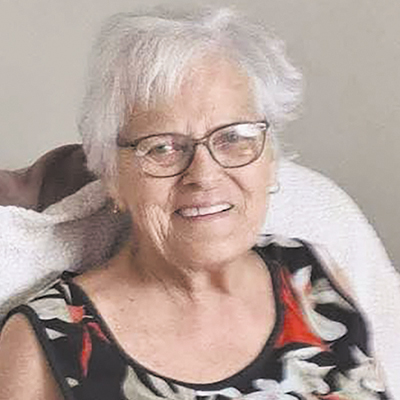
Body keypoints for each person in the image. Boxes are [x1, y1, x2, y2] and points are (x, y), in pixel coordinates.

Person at [0, 7, 390, 400]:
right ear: (112, 176)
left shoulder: (314, 278)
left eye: (233, 137)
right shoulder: (47, 345)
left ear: (270, 161)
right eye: (163, 147)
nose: (204, 174)